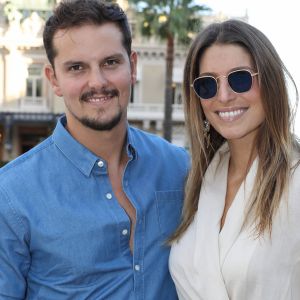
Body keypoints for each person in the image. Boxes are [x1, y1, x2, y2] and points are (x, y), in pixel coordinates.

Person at [0, 1, 189, 298]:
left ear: (133, 67)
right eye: (77, 68)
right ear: (54, 80)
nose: (97, 82)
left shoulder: (181, 169)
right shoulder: (10, 194)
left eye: (110, 63)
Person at [169, 19, 300, 300]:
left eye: (239, 78)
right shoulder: (200, 180)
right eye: (207, 85)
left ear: (271, 82)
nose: (224, 96)